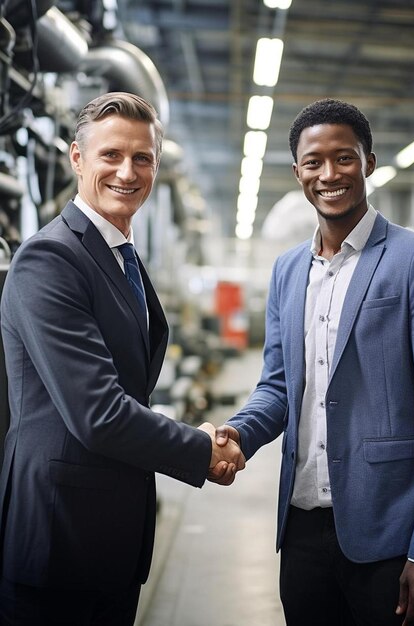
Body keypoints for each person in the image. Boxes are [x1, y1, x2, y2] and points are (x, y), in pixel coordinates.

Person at [211, 98, 414, 625]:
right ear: (298, 173)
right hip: (303, 530)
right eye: (314, 162)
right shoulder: (287, 271)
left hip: (392, 534)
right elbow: (280, 388)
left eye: (344, 158)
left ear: (368, 162)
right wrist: (237, 435)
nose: (329, 174)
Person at [0, 91, 244, 626]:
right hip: (58, 539)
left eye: (143, 158)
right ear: (77, 158)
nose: (127, 172)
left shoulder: (119, 256)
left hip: (110, 533)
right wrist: (200, 448)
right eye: (111, 155)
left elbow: (126, 392)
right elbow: (99, 412)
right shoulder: (50, 258)